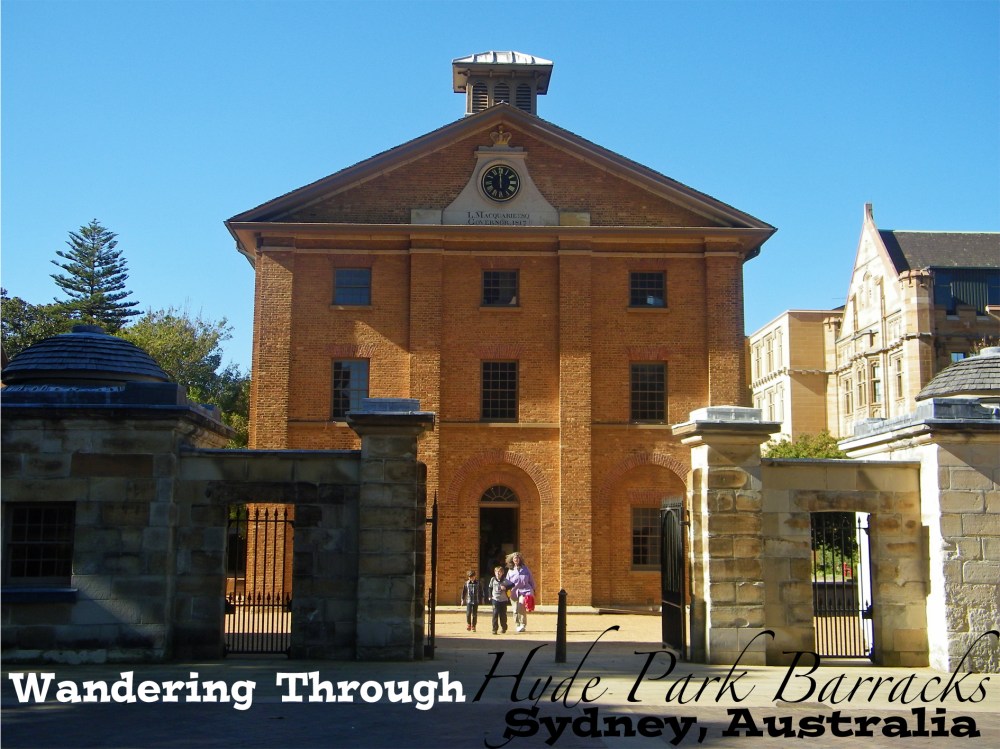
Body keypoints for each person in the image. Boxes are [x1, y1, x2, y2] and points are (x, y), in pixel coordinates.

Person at [505, 551, 535, 633]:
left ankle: (523, 625)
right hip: (514, 592)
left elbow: (531, 579)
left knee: (521, 607)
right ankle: (517, 625)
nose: (516, 559)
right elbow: (507, 582)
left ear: (520, 559)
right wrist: (507, 592)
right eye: (515, 558)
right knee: (515, 610)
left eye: (517, 558)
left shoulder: (525, 569)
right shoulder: (510, 571)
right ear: (512, 560)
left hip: (524, 591)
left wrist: (533, 589)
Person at [486, 566, 510, 634]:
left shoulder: (505, 580)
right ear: (494, 573)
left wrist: (505, 587)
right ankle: (494, 629)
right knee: (495, 613)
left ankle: (504, 627)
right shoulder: (493, 579)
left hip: (503, 600)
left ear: (502, 573)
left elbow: (512, 585)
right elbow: (490, 588)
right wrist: (490, 596)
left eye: (499, 572)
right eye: (496, 572)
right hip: (495, 599)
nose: (498, 573)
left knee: (503, 615)